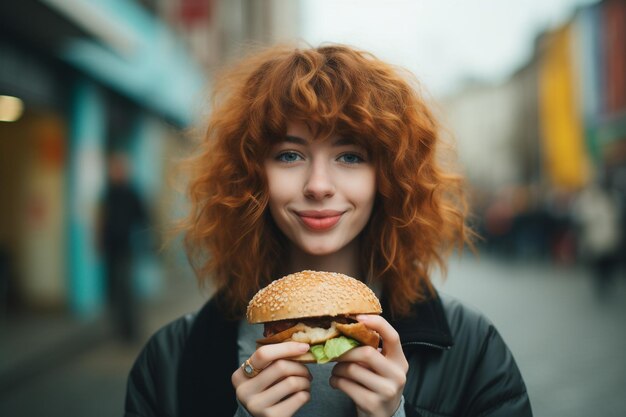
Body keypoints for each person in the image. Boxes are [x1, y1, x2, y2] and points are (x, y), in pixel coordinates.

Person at [124, 44, 532, 417]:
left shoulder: (473, 348)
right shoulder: (171, 359)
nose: (318, 185)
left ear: (388, 177)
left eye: (350, 156)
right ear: (250, 176)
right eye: (289, 155)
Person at [99, 152, 148, 342]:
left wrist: (143, 240)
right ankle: (119, 329)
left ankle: (131, 330)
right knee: (114, 290)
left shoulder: (132, 193)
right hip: (111, 248)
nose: (116, 173)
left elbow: (143, 217)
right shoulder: (109, 193)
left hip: (126, 248)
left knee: (126, 289)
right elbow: (102, 218)